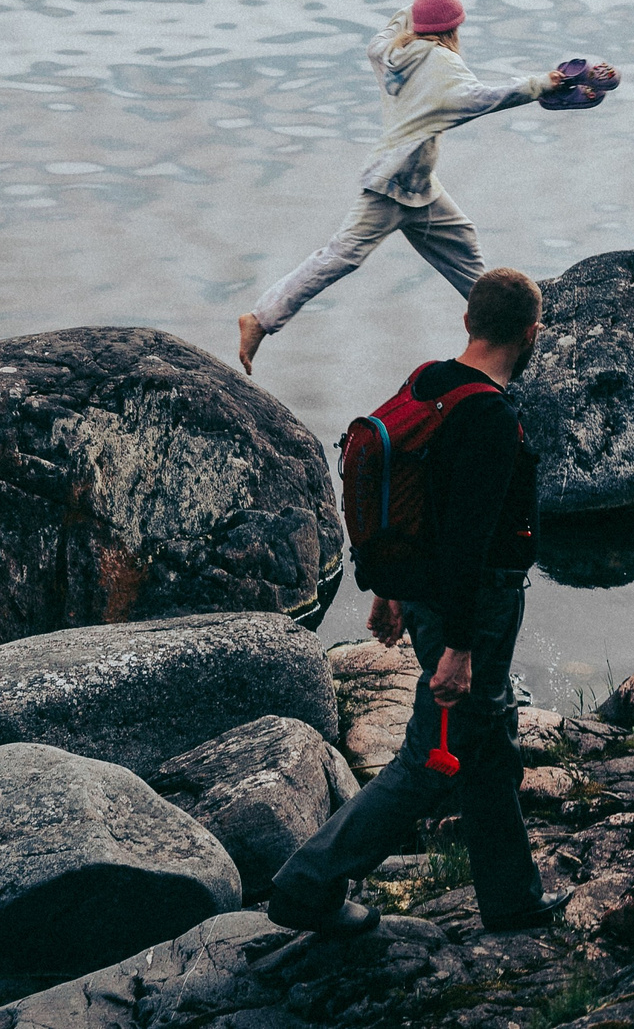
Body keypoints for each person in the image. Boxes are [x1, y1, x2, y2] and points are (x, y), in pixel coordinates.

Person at [266, 268, 562, 937]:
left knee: (487, 745)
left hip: (429, 596)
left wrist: (388, 590)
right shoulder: (490, 415)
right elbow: (464, 537)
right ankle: (307, 884)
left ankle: (513, 901)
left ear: (467, 322)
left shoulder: (428, 379)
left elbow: (403, 494)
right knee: (432, 759)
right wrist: (459, 647)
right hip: (470, 613)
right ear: (530, 333)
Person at [237, 0, 565, 375]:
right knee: (342, 255)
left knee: (463, 243)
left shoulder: (388, 50)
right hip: (389, 185)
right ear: (451, 31)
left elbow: (397, 22)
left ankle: (504, 329)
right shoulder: (443, 69)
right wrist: (543, 84)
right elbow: (486, 98)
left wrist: (422, 6)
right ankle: (260, 318)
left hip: (419, 187)